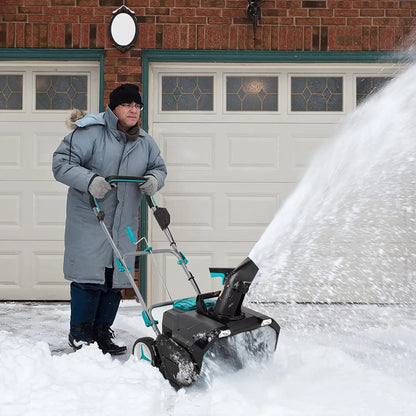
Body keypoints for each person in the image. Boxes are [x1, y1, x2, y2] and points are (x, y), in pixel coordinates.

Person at [52, 83, 167, 355]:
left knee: (115, 281)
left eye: (137, 106)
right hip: (91, 219)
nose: (134, 110)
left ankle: (102, 332)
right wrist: (90, 180)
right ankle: (80, 334)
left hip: (124, 220)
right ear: (113, 108)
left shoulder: (145, 141)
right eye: (127, 104)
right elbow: (61, 164)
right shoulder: (89, 133)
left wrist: (153, 180)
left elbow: (158, 168)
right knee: (88, 278)